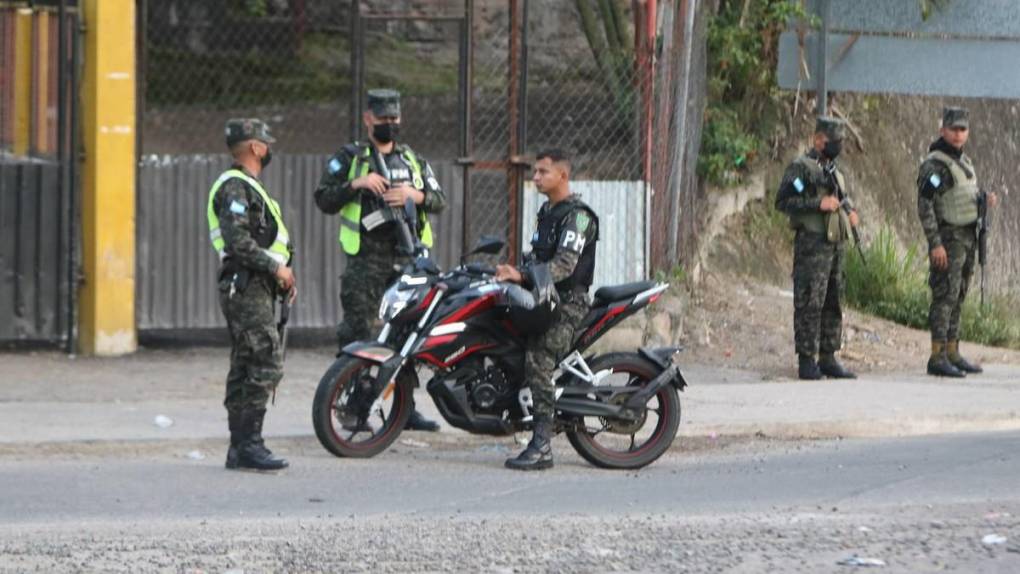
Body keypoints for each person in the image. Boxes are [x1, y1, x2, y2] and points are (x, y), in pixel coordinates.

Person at [314, 89, 445, 431]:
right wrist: (357, 183)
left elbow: (438, 199)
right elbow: (324, 198)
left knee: (408, 334)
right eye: (383, 119)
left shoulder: (412, 160)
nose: (390, 125)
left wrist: (413, 195)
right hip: (365, 262)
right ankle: (355, 408)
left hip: (409, 259)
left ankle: (405, 407)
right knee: (358, 332)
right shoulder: (350, 158)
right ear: (368, 118)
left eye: (394, 119)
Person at [496, 149, 599, 471]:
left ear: (562, 176)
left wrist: (523, 276)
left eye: (543, 172)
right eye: (535, 172)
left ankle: (542, 445)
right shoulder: (548, 210)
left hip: (568, 303)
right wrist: (511, 270)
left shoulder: (578, 216)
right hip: (545, 296)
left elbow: (564, 266)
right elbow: (537, 257)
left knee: (538, 360)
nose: (535, 177)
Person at [207, 118, 295, 471]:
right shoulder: (235, 187)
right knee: (264, 359)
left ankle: (240, 447)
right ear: (256, 147)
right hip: (246, 285)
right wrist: (277, 270)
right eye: (266, 143)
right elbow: (238, 242)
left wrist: (283, 275)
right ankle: (249, 445)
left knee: (247, 362)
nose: (269, 148)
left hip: (257, 285)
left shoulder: (248, 186)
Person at [775, 117, 861, 380]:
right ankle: (806, 359)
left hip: (835, 245)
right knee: (810, 301)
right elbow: (784, 201)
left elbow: (841, 200)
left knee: (833, 300)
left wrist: (850, 213)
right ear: (818, 139)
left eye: (839, 142)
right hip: (812, 244)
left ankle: (828, 356)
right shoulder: (801, 168)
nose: (837, 146)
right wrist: (817, 203)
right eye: (832, 141)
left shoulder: (835, 170)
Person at [916, 106, 998, 377]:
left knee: (959, 294)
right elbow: (925, 204)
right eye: (953, 129)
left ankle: (952, 350)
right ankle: (937, 355)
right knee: (944, 295)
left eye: (963, 129)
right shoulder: (935, 164)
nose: (958, 134)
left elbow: (962, 195)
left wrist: (983, 200)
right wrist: (934, 243)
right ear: (943, 130)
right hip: (948, 237)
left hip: (966, 237)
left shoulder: (963, 162)